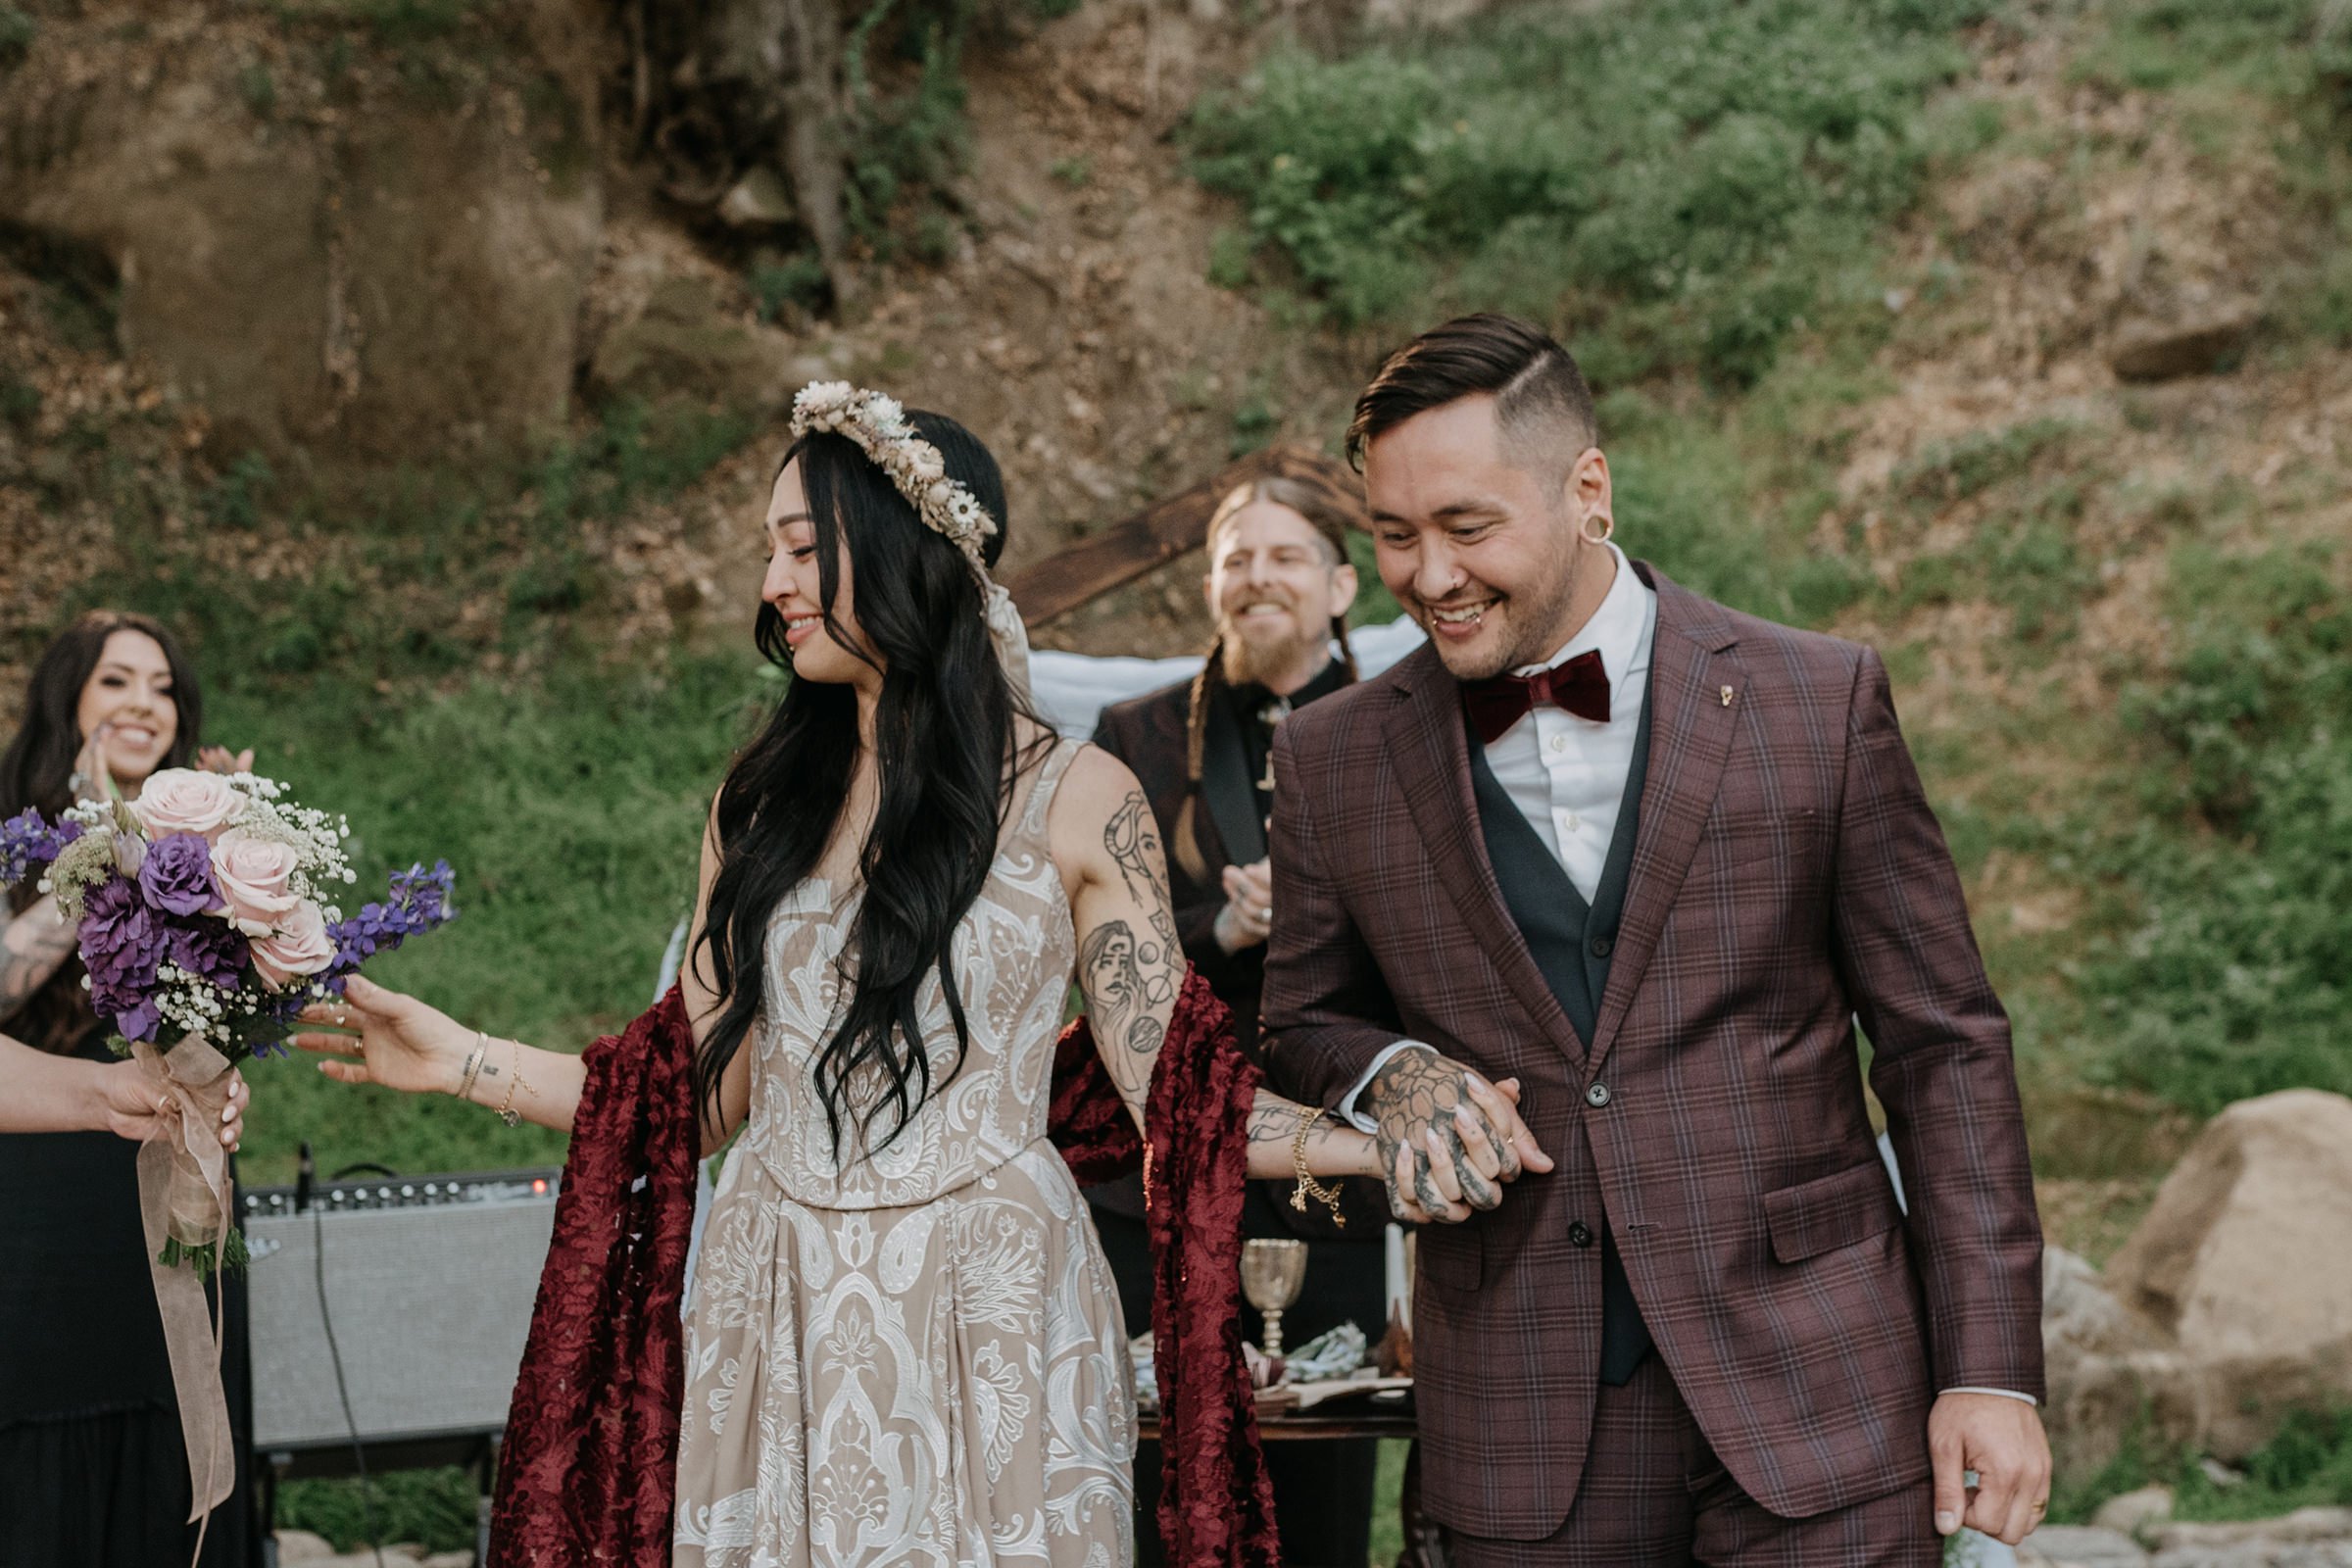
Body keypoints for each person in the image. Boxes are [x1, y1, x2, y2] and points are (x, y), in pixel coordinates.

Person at [290, 388, 1495, 1565]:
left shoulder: (1080, 797)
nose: (773, 585)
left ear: (911, 551)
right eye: (770, 551)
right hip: (775, 1302)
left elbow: (1178, 1092)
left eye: (804, 548)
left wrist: (1388, 1145)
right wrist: (460, 1062)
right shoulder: (757, 806)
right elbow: (696, 1098)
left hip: (993, 1306)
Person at [1261, 316, 2050, 1565]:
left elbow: (1942, 1045)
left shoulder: (1818, 699)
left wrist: (1993, 1368)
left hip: (1820, 1394)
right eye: (1394, 537)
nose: (1431, 576)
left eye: (1468, 528)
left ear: (1589, 488)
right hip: (1522, 1418)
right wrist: (1391, 1074)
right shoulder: (1328, 757)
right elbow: (1300, 1017)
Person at [1088, 466, 1391, 1567]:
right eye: (1236, 558)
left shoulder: (1401, 729)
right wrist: (1221, 926)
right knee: (1159, 1482)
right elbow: (1094, 937)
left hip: (1333, 1165)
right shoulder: (1133, 733)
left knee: (1317, 1481)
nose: (1256, 576)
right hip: (1157, 1171)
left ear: (1344, 583)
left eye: (1284, 556)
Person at [0, 609, 259, 1568]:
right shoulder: (16, 832)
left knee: (175, 1438)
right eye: (118, 680)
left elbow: (229, 1023)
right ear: (68, 696)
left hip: (174, 1182)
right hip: (35, 1194)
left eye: (162, 686)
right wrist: (99, 843)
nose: (144, 701)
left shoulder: (211, 845)